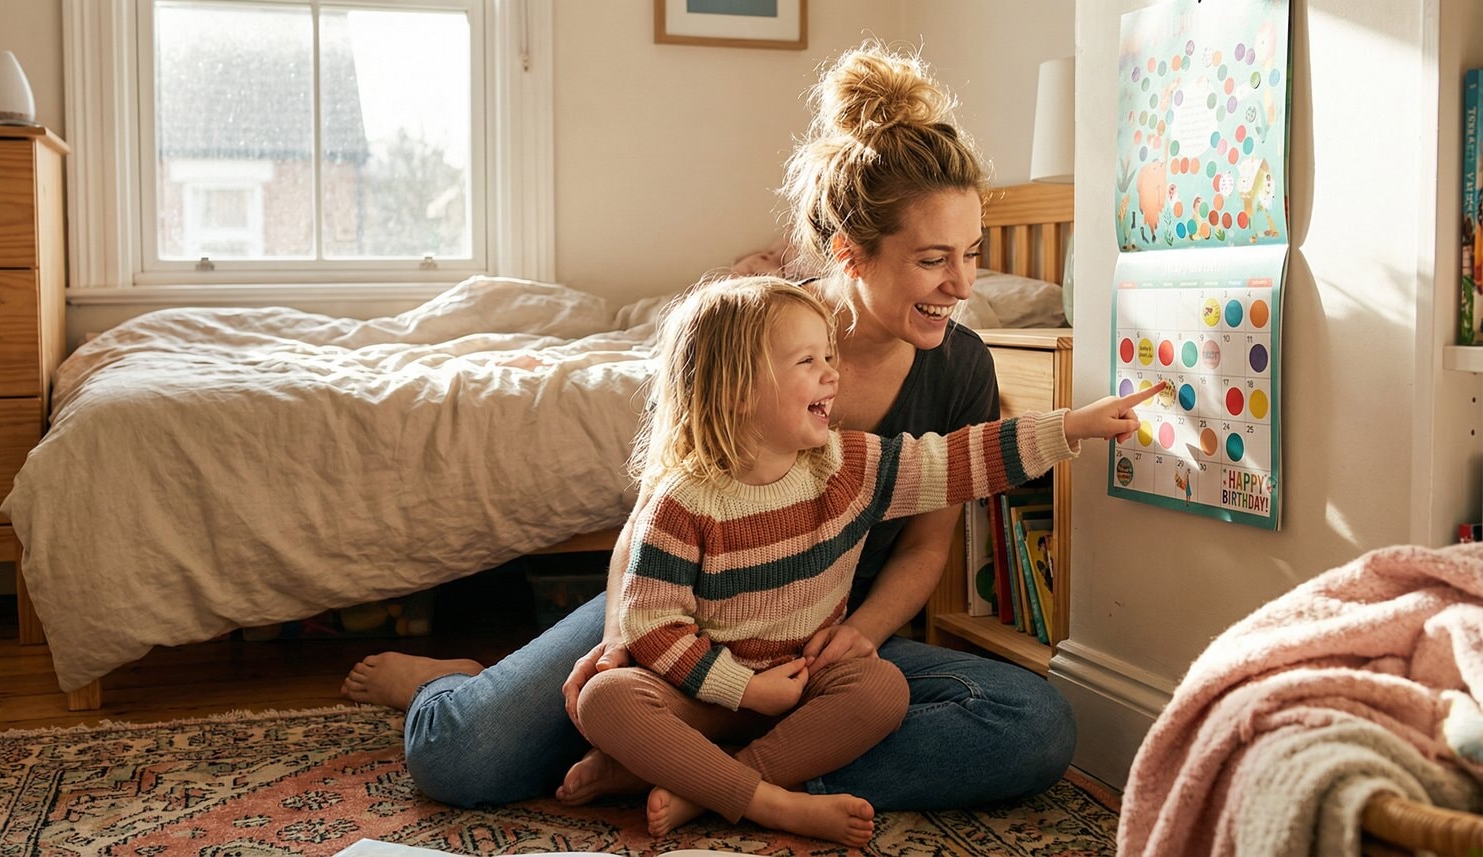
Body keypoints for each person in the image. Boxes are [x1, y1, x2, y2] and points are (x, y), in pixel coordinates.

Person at [342, 40, 1087, 812]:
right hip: (684, 616)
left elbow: (931, 539)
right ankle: (459, 684)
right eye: (936, 259)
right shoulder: (744, 331)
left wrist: (858, 634)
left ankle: (697, 767)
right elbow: (655, 503)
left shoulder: (962, 365)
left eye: (972, 254)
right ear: (851, 253)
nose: (963, 286)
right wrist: (626, 630)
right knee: (463, 756)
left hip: (826, 643)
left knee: (1032, 724)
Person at [574, 276, 1152, 845]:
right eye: (808, 361)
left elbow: (953, 461)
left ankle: (711, 785)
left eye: (830, 355)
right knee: (607, 698)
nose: (833, 373)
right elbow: (654, 625)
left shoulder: (847, 465)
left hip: (808, 679)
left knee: (880, 688)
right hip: (706, 692)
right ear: (737, 389)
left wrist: (1071, 426)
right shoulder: (681, 502)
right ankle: (770, 802)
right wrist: (744, 691)